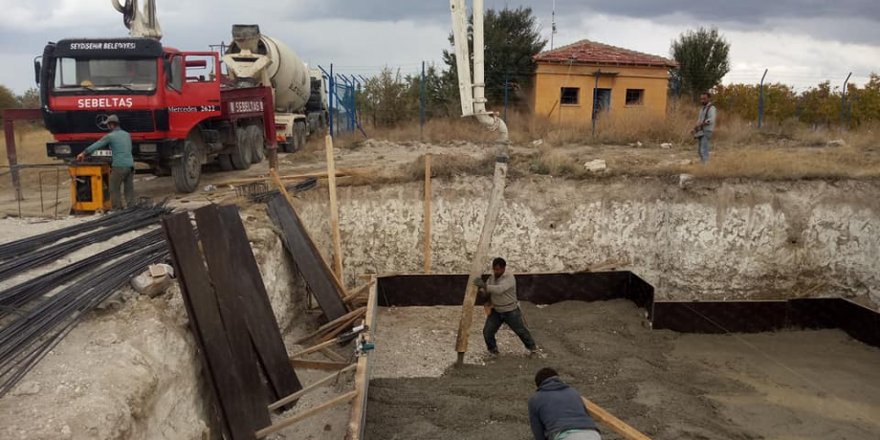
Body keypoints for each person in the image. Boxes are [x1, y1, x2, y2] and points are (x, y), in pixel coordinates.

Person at [473, 257, 540, 357]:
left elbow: (500, 289)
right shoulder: (492, 278)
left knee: (521, 331)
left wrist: (484, 286)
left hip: (510, 310)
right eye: (494, 269)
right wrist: (482, 291)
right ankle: (493, 351)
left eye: (498, 269)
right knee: (487, 331)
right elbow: (487, 291)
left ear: (504, 268)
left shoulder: (509, 277)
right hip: (496, 310)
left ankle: (533, 349)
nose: (496, 271)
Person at [76, 115, 135, 209]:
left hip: (119, 166)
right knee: (129, 189)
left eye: (108, 124)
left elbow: (97, 145)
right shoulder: (127, 134)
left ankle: (117, 209)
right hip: (130, 165)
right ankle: (131, 208)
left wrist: (83, 153)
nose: (107, 127)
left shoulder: (110, 136)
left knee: (114, 188)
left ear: (111, 125)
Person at [528, 367, 601, 440]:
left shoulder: (535, 399)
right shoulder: (573, 392)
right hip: (592, 433)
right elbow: (586, 415)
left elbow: (538, 434)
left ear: (539, 385)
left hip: (566, 435)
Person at [693, 92, 716, 164]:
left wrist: (701, 124)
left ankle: (706, 167)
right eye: (701, 99)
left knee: (703, 149)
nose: (702, 100)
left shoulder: (711, 108)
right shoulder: (702, 109)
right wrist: (695, 128)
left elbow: (711, 120)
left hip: (707, 131)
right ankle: (703, 165)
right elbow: (699, 120)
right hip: (701, 131)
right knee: (700, 150)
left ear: (709, 99)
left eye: (704, 99)